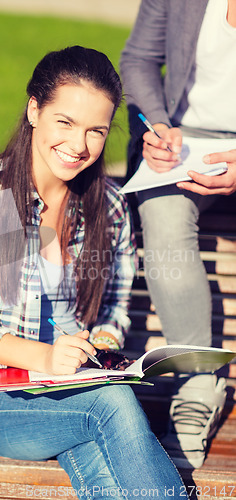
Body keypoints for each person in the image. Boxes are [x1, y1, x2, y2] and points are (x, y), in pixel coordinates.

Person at [0, 46, 188, 499]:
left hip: (80, 389)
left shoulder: (109, 207)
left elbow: (113, 308)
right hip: (1, 395)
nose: (79, 146)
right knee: (111, 406)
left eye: (96, 131)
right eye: (65, 122)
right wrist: (44, 358)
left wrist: (103, 347)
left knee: (105, 461)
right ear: (34, 110)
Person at [120, 0, 236, 469]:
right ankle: (196, 379)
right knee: (163, 215)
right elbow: (139, 60)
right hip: (185, 142)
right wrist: (156, 124)